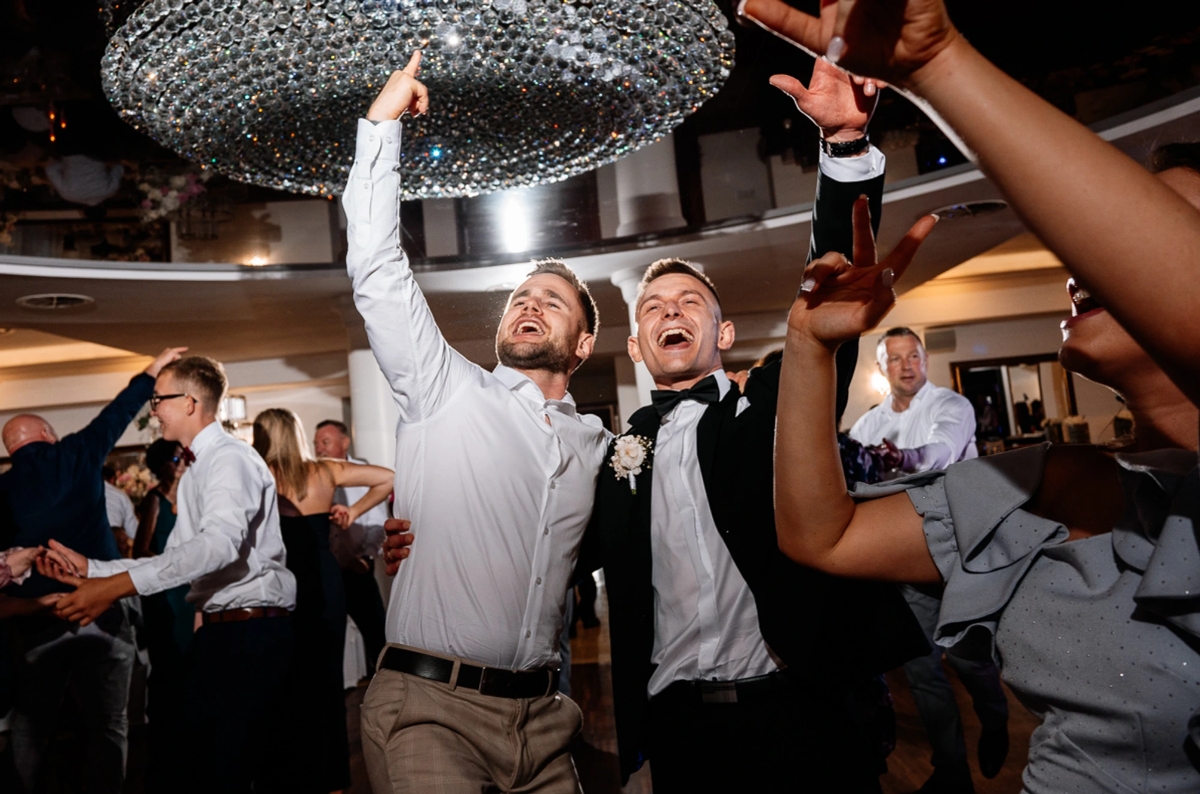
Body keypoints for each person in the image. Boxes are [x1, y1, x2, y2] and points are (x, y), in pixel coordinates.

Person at [576, 57, 927, 792]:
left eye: (689, 303)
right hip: (679, 726)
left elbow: (826, 293)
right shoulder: (614, 455)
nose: (671, 311)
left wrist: (844, 151)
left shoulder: (767, 401)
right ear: (636, 346)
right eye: (653, 308)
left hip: (800, 706)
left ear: (724, 333)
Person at [346, 52, 609, 794]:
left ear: (583, 346)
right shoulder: (445, 389)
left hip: (546, 719)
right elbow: (377, 270)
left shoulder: (600, 446)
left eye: (552, 301)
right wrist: (381, 126)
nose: (529, 304)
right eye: (520, 297)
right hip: (431, 708)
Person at [39, 355, 298, 794]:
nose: (153, 410)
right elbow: (174, 557)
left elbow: (218, 547)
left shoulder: (229, 459)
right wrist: (94, 568)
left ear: (190, 402)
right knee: (208, 767)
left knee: (233, 770)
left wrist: (113, 587)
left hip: (250, 632)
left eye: (158, 399)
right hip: (222, 633)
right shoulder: (197, 469)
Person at [0, 347, 182, 794]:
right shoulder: (75, 454)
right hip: (100, 608)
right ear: (48, 433)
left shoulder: (3, 490)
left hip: (35, 620)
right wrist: (151, 372)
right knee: (108, 725)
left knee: (31, 727)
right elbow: (116, 415)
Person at [848, 327, 1009, 792]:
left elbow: (939, 454)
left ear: (925, 359)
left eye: (913, 355)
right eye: (895, 358)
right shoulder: (867, 426)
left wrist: (901, 457)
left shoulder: (951, 406)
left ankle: (995, 717)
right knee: (921, 670)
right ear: (881, 368)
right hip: (901, 561)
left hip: (959, 553)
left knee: (967, 659)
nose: (907, 365)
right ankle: (951, 771)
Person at [253, 408, 392, 794]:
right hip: (325, 578)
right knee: (327, 680)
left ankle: (288, 777)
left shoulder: (259, 474)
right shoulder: (325, 470)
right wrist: (353, 511)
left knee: (285, 679)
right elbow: (387, 478)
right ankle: (332, 780)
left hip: (281, 582)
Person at [130, 438, 193, 792]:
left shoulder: (192, 495)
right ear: (161, 465)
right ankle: (164, 739)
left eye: (183, 456)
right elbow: (140, 550)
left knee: (191, 660)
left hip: (191, 590)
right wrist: (171, 564)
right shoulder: (154, 499)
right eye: (174, 458)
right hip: (165, 591)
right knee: (169, 661)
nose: (181, 462)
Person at [313, 418, 389, 676]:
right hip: (324, 571)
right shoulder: (313, 475)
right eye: (316, 443)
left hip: (357, 568)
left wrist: (365, 559)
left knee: (376, 634)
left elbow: (378, 522)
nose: (319, 449)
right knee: (327, 640)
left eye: (325, 442)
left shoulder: (364, 474)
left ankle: (386, 687)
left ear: (344, 442)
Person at [103, 464, 138, 558]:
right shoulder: (121, 496)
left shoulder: (82, 494)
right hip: (115, 546)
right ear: (112, 479)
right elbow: (133, 532)